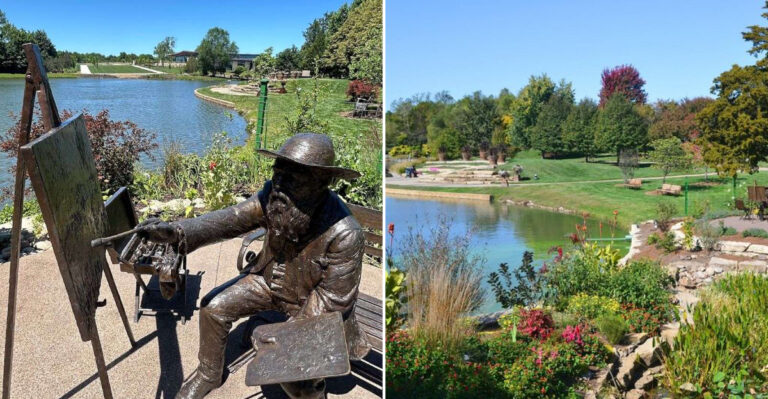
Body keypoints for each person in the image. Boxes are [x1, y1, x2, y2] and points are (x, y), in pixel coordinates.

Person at [137, 133, 370, 399]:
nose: (278, 183)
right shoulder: (275, 196)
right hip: (267, 281)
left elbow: (330, 303)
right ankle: (208, 374)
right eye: (277, 173)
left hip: (311, 306)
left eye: (292, 178)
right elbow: (232, 218)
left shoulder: (346, 233)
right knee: (214, 308)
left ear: (321, 182)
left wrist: (281, 338)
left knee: (299, 383)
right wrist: (176, 232)